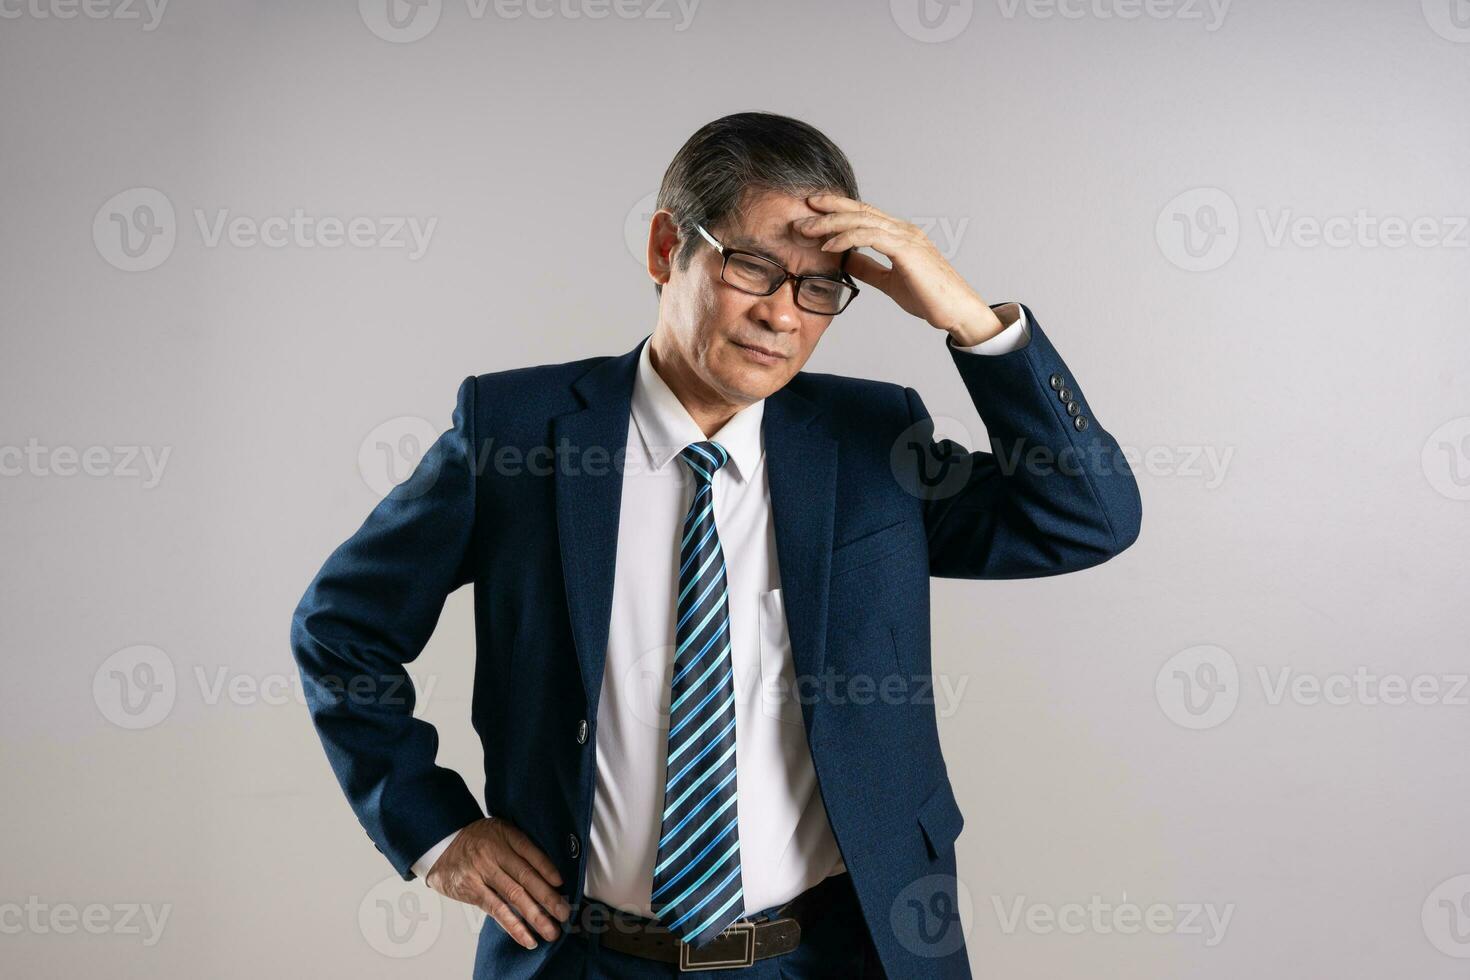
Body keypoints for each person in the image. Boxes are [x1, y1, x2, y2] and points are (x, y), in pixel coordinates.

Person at [291, 111, 1142, 979]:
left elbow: (1086, 516)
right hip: (582, 957)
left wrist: (970, 320)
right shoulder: (517, 435)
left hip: (837, 956)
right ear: (668, 249)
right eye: (754, 267)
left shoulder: (869, 440)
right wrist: (435, 829)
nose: (783, 314)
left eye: (819, 287)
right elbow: (339, 628)